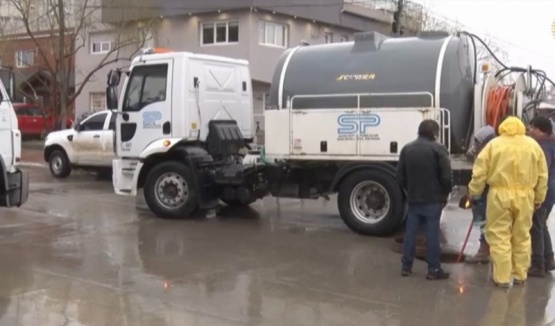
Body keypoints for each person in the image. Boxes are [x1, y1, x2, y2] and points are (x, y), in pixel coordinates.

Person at [468, 116, 548, 287]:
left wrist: (475, 192)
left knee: (499, 236)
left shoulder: (494, 145)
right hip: (525, 196)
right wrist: (539, 197)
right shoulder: (533, 146)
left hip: (499, 196)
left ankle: (502, 278)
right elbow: (543, 175)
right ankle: (520, 275)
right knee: (522, 236)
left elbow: (479, 171)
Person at [397, 119, 452, 280]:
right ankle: (433, 270)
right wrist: (445, 193)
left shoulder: (407, 149)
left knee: (411, 233)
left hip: (414, 198)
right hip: (433, 200)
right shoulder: (439, 149)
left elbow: (399, 176)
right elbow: (446, 176)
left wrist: (410, 189)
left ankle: (406, 267)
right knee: (432, 235)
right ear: (434, 133)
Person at [527, 116, 555, 277]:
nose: (530, 130)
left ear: (541, 130)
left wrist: (537, 195)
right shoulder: (552, 143)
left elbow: (542, 171)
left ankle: (538, 264)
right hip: (551, 191)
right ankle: (548, 258)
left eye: (533, 127)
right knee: (542, 224)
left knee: (535, 226)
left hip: (544, 192)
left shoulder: (543, 146)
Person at [465, 125, 496, 264]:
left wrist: (473, 194)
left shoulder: (488, 153)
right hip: (492, 194)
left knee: (485, 223)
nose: (476, 145)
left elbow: (479, 176)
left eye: (478, 142)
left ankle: (484, 251)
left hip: (486, 193)